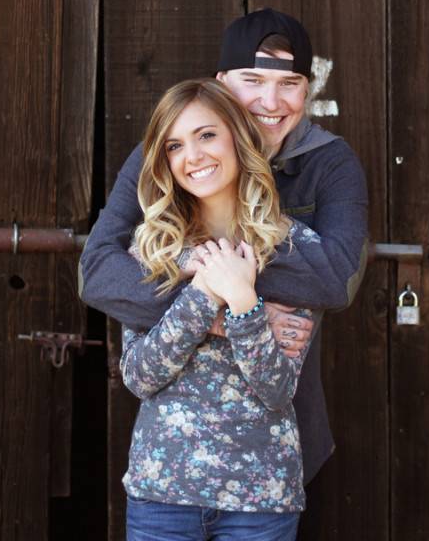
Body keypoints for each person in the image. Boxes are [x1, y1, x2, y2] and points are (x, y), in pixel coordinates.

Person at [79, 7, 368, 485]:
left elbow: (338, 280)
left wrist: (225, 281)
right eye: (251, 80)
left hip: (281, 434)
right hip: (177, 450)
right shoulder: (172, 153)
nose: (269, 101)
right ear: (221, 83)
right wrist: (222, 303)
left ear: (307, 88)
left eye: (289, 83)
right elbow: (96, 272)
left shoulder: (330, 164)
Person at [121, 78, 321, 540]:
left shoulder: (295, 248)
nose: (193, 156)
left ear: (237, 135)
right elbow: (139, 375)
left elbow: (276, 390)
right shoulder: (148, 249)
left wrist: (245, 302)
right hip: (162, 494)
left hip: (260, 499)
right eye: (175, 145)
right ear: (165, 161)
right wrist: (206, 292)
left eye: (206, 135)